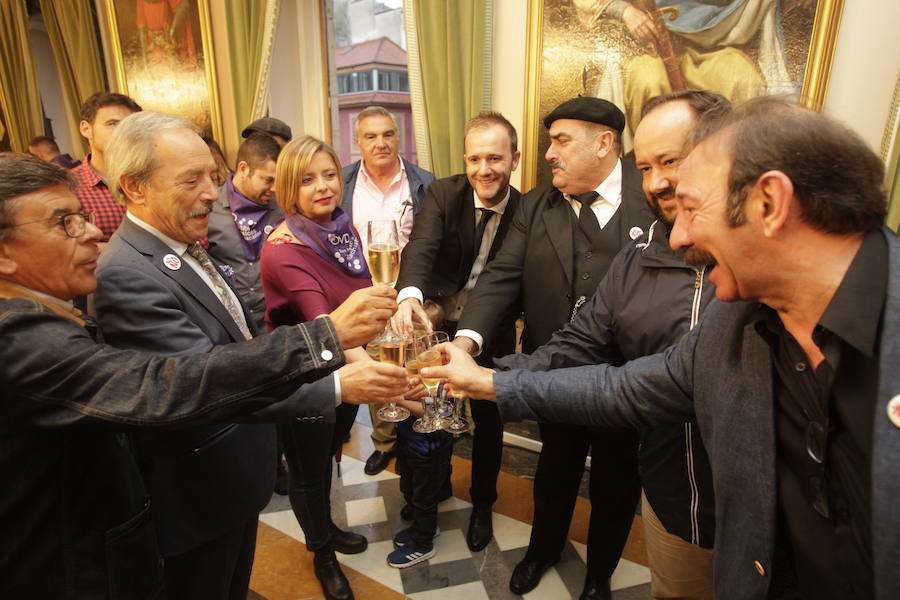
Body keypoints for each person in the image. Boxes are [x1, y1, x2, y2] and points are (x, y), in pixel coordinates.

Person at [431, 97, 898, 600]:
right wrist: (487, 379)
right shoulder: (736, 321)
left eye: (693, 206)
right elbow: (627, 387)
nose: (677, 237)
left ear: (769, 203)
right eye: (648, 169)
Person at [0, 152, 405, 599]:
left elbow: (233, 342)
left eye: (83, 216)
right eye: (65, 223)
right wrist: (324, 339)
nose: (93, 231)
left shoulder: (63, 304)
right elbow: (164, 383)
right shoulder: (19, 338)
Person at [91, 111, 393, 600]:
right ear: (135, 187)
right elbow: (205, 382)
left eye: (212, 177)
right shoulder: (128, 274)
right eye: (192, 180)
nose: (213, 193)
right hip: (199, 492)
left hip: (235, 477)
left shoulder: (183, 241)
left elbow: (238, 339)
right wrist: (339, 381)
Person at [454, 96, 653, 599]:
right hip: (551, 374)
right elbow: (500, 277)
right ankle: (543, 550)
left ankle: (599, 575)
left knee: (615, 482)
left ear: (604, 142)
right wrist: (465, 339)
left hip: (624, 381)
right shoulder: (539, 204)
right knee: (555, 470)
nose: (549, 153)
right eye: (549, 142)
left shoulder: (651, 202)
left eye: (561, 141)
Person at [392, 111, 522, 552]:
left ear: (515, 159)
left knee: (488, 424)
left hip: (492, 332)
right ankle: (434, 486)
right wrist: (409, 295)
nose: (483, 170)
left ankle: (483, 504)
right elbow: (422, 246)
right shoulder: (445, 194)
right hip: (437, 322)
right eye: (474, 159)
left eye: (494, 159)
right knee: (431, 409)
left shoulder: (527, 209)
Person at [260, 136, 378, 600]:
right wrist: (383, 378)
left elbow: (363, 294)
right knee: (308, 471)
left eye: (329, 174)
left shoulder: (342, 231)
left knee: (330, 454)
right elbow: (324, 324)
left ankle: (327, 528)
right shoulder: (284, 247)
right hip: (308, 378)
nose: (323, 186)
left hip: (346, 373)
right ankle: (322, 553)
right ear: (290, 188)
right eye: (308, 179)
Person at [341, 105, 436, 476]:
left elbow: (433, 242)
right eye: (370, 136)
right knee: (374, 371)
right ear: (358, 143)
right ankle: (384, 443)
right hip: (363, 295)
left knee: (411, 371)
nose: (380, 143)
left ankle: (421, 446)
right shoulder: (344, 184)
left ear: (399, 138)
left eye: (387, 135)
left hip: (408, 296)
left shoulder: (424, 182)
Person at [207, 133, 282, 330]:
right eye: (268, 179)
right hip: (231, 325)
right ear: (243, 168)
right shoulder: (210, 210)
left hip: (275, 323)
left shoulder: (282, 210)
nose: (274, 188)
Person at [72, 91, 142, 244]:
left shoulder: (150, 178)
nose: (122, 133)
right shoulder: (70, 187)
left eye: (129, 126)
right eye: (112, 124)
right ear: (86, 129)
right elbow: (69, 250)